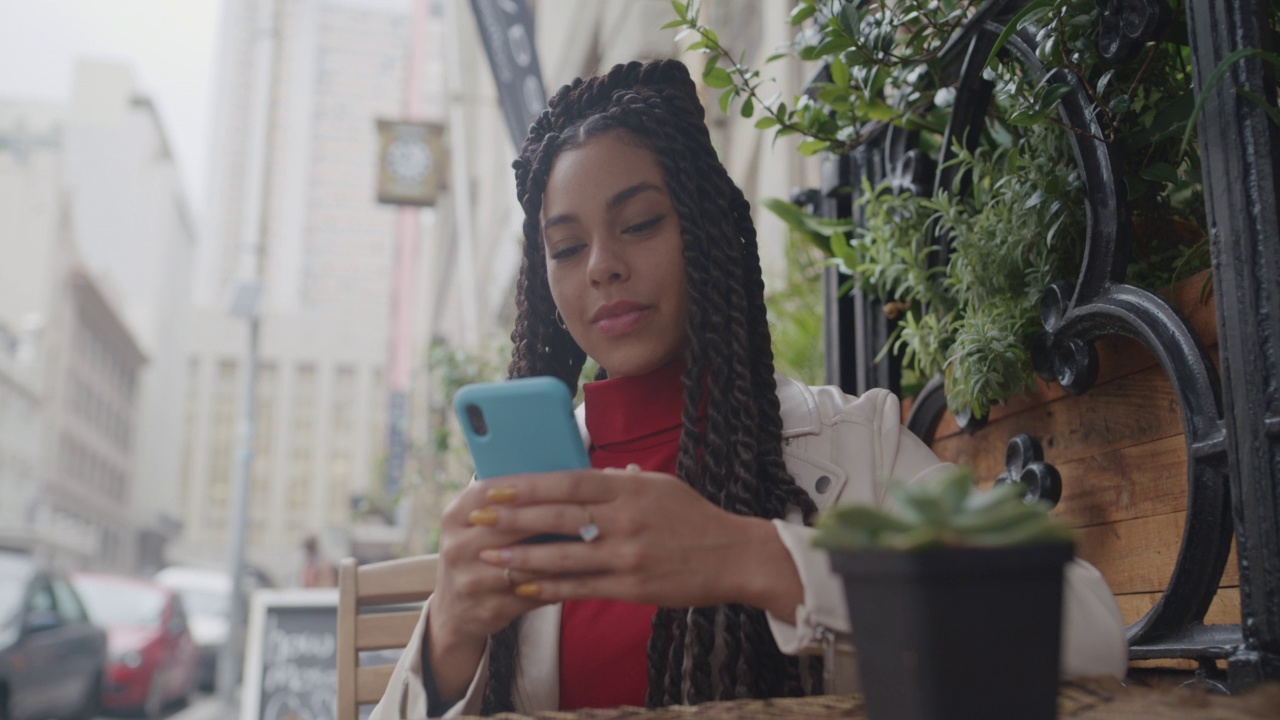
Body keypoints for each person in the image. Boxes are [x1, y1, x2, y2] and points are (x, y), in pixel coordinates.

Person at [372, 59, 1127, 719]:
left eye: (637, 224)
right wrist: (450, 637)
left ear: (705, 232)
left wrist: (757, 559)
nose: (600, 264)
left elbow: (1092, 632)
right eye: (566, 247)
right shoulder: (518, 494)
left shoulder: (850, 441)